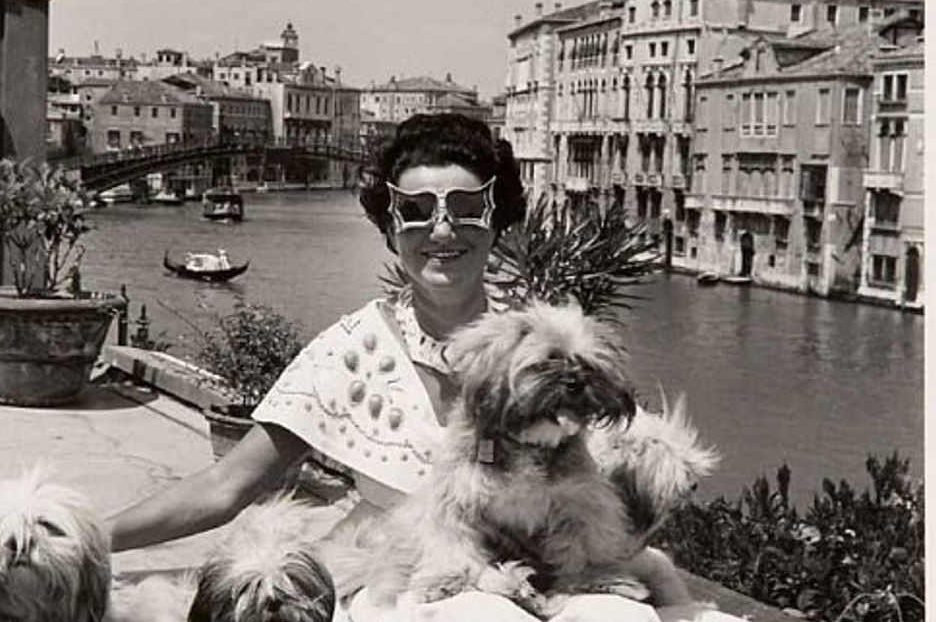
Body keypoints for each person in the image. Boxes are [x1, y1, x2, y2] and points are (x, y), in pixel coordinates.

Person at [108, 113, 729, 622]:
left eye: (465, 205)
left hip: (554, 572)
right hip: (406, 582)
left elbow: (642, 460)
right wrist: (86, 539)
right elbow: (226, 487)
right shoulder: (349, 350)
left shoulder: (556, 346)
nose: (442, 228)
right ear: (388, 227)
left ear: (495, 220)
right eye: (416, 209)